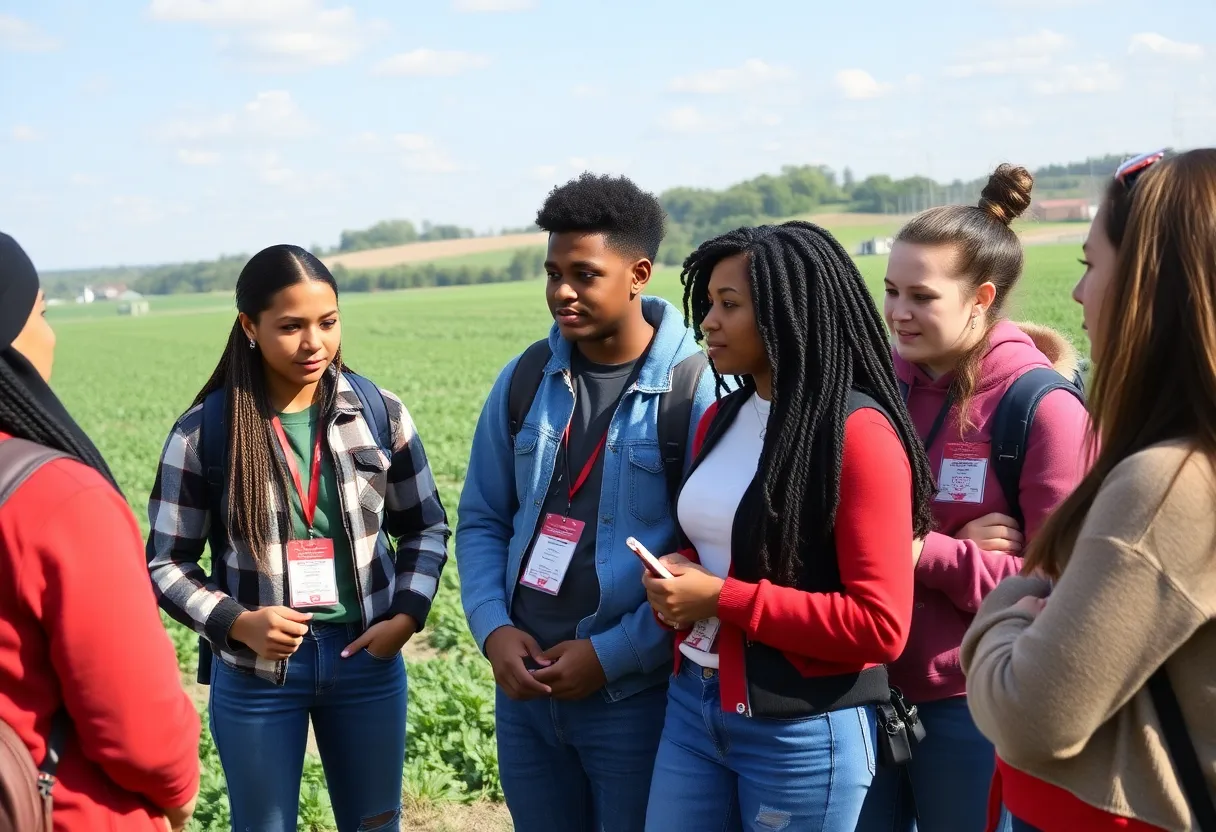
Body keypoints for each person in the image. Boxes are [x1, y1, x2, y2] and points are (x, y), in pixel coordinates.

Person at [642, 221, 937, 832]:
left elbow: (879, 626)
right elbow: (721, 545)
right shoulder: (722, 417)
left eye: (729, 305)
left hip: (802, 732)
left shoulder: (859, 436)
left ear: (784, 312)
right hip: (694, 704)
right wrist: (680, 579)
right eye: (707, 305)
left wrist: (721, 598)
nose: (708, 323)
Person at [146, 244, 450, 832]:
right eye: (291, 327)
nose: (314, 342)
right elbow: (165, 562)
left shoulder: (378, 412)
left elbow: (425, 526)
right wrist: (238, 621)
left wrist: (408, 614)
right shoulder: (204, 434)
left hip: (367, 658)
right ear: (249, 327)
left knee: (374, 824)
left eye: (328, 322)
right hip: (257, 674)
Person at [962, 148, 1216, 832]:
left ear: (1150, 287)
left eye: (1089, 266)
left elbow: (1030, 716)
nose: (1077, 295)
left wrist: (1017, 597)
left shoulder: (1170, 485)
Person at [456, 173, 716, 831]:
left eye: (584, 274)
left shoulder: (696, 390)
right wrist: (493, 629)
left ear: (638, 273)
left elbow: (712, 558)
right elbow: (484, 516)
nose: (561, 293)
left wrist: (613, 655)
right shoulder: (523, 380)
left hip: (635, 697)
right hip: (523, 693)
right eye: (552, 273)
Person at [858, 165, 1091, 832]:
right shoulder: (876, 388)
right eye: (891, 291)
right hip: (863, 689)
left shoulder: (1041, 411)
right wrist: (951, 546)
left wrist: (923, 552)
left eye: (921, 297)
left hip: (973, 703)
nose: (897, 313)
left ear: (982, 297)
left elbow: (1058, 588)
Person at [0, 232, 200, 832]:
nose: (49, 334)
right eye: (40, 314)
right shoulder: (58, 500)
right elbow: (139, 729)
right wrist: (179, 792)